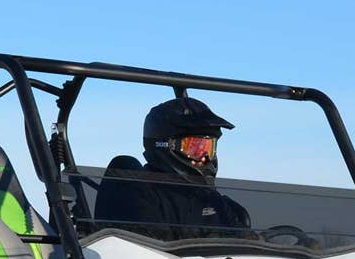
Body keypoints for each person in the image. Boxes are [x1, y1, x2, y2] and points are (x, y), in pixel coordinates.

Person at [98, 97, 250, 236]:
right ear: (165, 146)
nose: (204, 157)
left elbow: (243, 240)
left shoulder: (210, 197)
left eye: (208, 148)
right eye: (194, 147)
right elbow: (151, 252)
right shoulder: (137, 194)